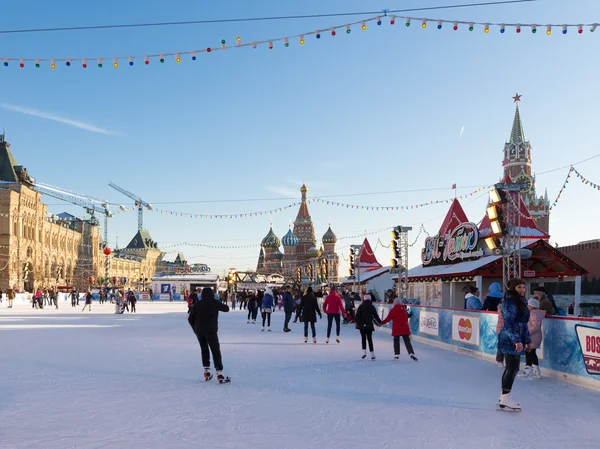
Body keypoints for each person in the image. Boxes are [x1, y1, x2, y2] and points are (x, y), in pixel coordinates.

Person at [497, 278, 531, 412]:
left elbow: (524, 323)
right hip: (509, 338)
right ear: (512, 289)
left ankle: (504, 396)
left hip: (517, 337)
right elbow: (509, 324)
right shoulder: (509, 303)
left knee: (513, 368)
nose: (522, 289)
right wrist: (516, 340)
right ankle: (506, 397)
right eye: (519, 287)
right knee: (512, 368)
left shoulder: (521, 301)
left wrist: (527, 340)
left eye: (523, 287)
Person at [187, 288, 231, 383]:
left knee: (204, 350)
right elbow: (226, 309)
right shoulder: (214, 302)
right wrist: (220, 303)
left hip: (199, 331)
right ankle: (219, 373)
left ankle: (206, 371)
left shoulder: (197, 304)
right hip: (211, 330)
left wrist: (195, 329)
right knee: (215, 350)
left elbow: (190, 318)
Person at [521, 297, 545, 379]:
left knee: (529, 353)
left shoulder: (533, 314)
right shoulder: (533, 313)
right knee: (532, 353)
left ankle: (528, 371)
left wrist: (527, 332)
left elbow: (535, 326)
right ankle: (536, 370)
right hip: (534, 337)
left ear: (532, 306)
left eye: (528, 305)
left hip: (532, 337)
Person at [354, 294, 382, 360]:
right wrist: (380, 321)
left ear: (364, 299)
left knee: (363, 338)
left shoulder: (361, 306)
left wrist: (356, 322)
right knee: (369, 339)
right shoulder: (372, 306)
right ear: (370, 299)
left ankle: (364, 352)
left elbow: (358, 315)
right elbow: (375, 315)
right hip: (369, 325)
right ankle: (372, 354)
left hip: (361, 325)